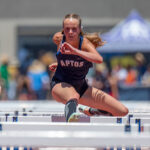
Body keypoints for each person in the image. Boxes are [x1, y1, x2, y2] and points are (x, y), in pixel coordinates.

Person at [49, 14, 128, 122]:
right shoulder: (58, 38)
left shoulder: (85, 43)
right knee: (73, 96)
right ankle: (71, 125)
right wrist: (59, 65)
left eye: (74, 29)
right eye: (67, 29)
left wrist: (74, 51)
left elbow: (98, 59)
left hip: (81, 88)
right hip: (60, 85)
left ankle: (91, 111)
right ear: (63, 29)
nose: (70, 32)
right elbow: (64, 57)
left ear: (80, 29)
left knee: (122, 111)